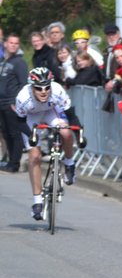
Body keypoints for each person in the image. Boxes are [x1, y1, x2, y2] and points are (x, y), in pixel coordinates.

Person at [15, 67, 84, 219]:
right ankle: (37, 202)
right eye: (39, 88)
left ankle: (69, 163)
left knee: (66, 132)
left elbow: (71, 116)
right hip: (30, 119)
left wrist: (79, 134)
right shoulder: (22, 97)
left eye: (47, 87)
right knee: (34, 156)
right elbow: (19, 122)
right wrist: (31, 136)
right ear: (32, 87)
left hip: (50, 111)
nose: (44, 91)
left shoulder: (57, 91)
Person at [0, 33, 29, 174]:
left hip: (12, 103)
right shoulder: (4, 61)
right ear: (5, 44)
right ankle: (10, 160)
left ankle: (14, 163)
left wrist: (17, 102)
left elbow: (24, 84)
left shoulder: (20, 62)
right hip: (2, 103)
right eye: (11, 42)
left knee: (15, 133)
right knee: (6, 133)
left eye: (16, 43)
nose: (13, 45)